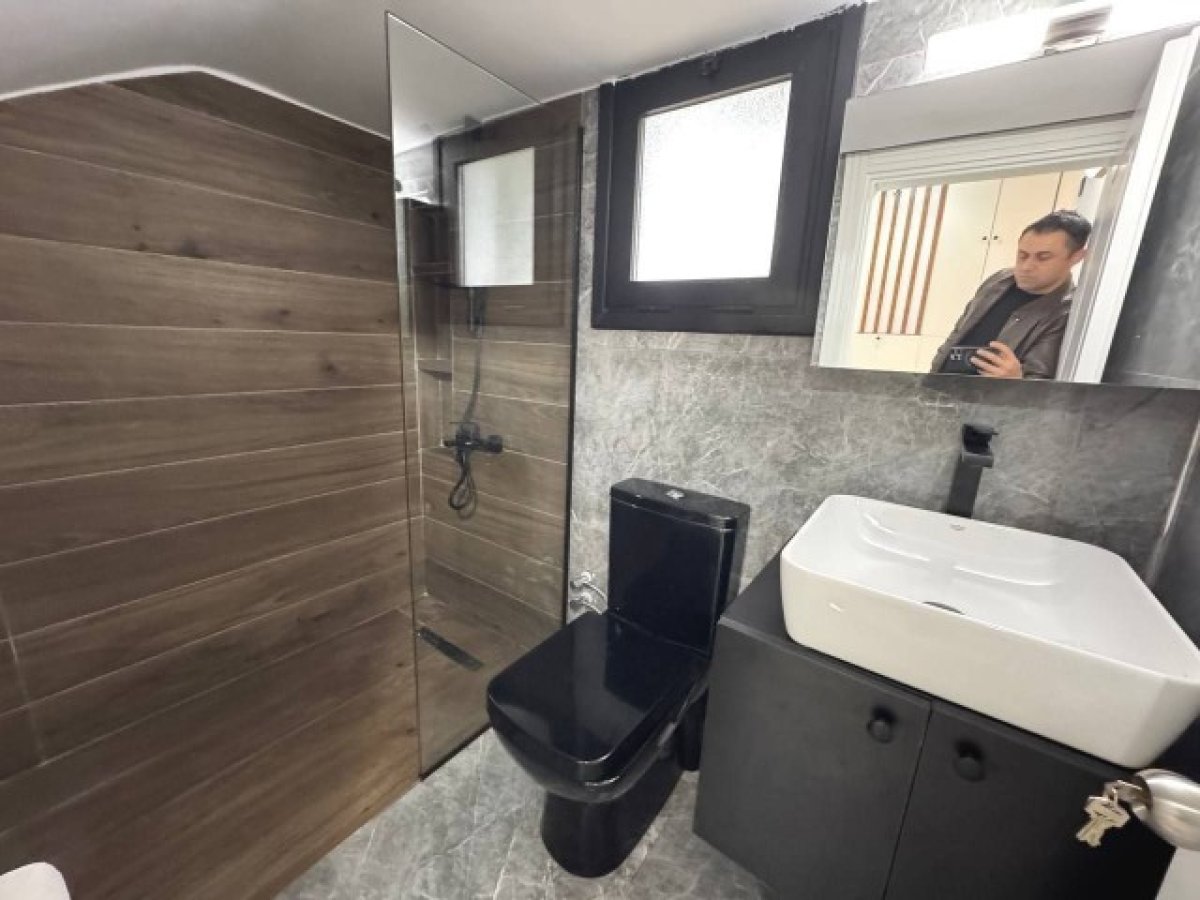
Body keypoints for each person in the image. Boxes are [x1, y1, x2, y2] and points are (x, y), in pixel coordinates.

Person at [930, 210, 1091, 379]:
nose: (1026, 266)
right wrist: (930, 377)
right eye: (1022, 255)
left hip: (990, 395)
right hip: (941, 388)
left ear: (1076, 257)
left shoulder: (1066, 313)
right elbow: (958, 333)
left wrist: (1016, 380)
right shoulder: (998, 280)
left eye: (1043, 258)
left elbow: (1042, 383)